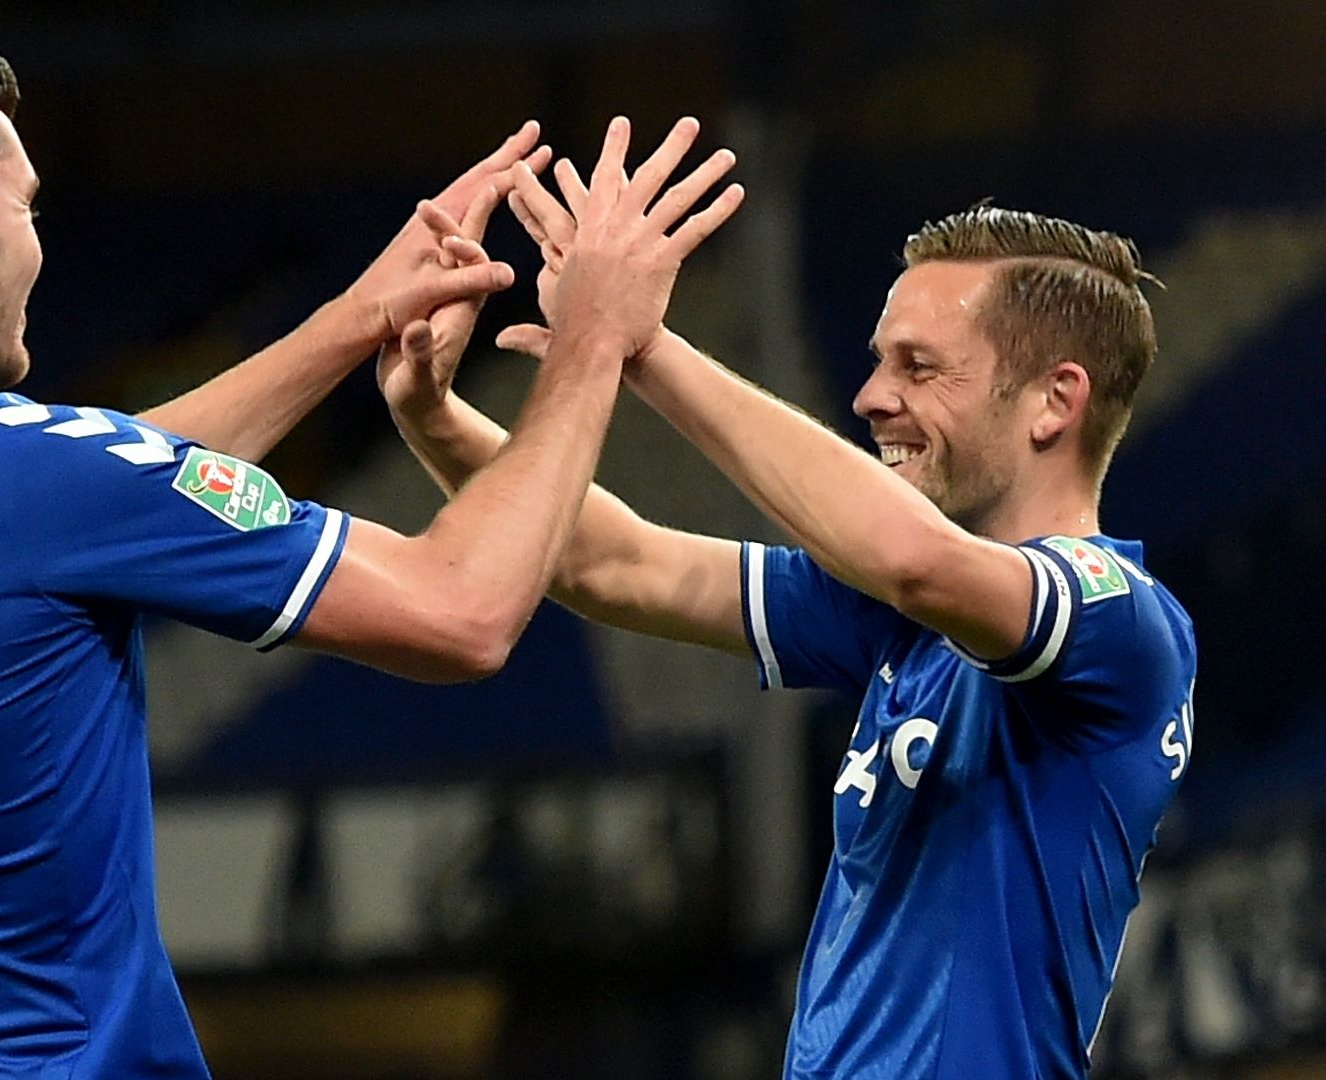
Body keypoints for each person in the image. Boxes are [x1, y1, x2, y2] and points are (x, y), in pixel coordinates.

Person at [0, 40, 742, 1079]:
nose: (37, 242)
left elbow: (91, 488)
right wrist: (595, 340)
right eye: (25, 206)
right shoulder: (16, 482)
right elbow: (461, 612)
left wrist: (351, 322)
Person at [381, 161, 1197, 1078]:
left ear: (1057, 400)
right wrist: (434, 418)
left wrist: (643, 347)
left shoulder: (1118, 620)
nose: (872, 397)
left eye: (919, 367)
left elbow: (917, 561)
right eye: (882, 361)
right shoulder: (898, 621)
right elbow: (613, 562)